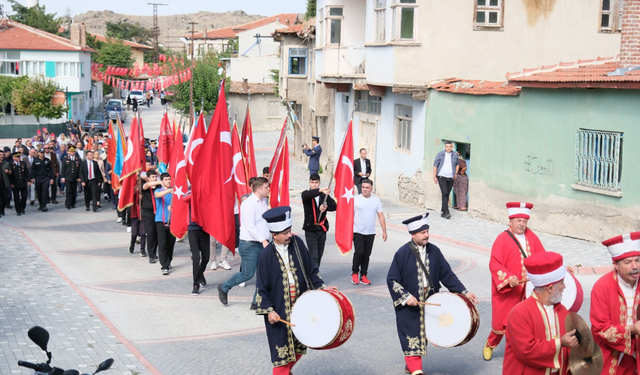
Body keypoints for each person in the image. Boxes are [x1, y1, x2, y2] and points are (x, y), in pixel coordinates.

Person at [387, 213, 479, 375]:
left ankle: (411, 365)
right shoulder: (401, 254)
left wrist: (464, 292)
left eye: (427, 231)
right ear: (412, 234)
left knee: (424, 337)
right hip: (409, 306)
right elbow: (392, 280)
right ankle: (416, 370)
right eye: (422, 233)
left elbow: (447, 275)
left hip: (429, 303)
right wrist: (407, 297)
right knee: (412, 337)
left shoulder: (435, 251)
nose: (426, 235)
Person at [255, 205, 335, 375]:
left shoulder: (297, 243)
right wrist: (269, 311)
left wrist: (322, 288)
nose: (289, 235)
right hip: (279, 312)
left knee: (299, 346)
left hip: (300, 308)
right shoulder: (265, 256)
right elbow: (261, 288)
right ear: (274, 234)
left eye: (289, 230)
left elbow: (311, 269)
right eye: (285, 233)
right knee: (282, 354)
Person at [483, 202, 546, 360]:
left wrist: (561, 267)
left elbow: (543, 256)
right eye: (518, 221)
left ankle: (523, 350)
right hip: (509, 289)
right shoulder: (502, 239)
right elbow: (495, 263)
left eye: (524, 221)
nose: (521, 224)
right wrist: (509, 277)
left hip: (529, 289)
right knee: (501, 323)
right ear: (510, 221)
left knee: (527, 321)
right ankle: (490, 344)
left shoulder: (532, 237)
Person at [503, 251, 578, 375]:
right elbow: (526, 351)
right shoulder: (519, 313)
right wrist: (560, 343)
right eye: (562, 283)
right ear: (550, 288)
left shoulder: (562, 310)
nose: (564, 287)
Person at [590, 232, 640, 374]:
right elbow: (601, 329)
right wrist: (632, 329)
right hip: (611, 354)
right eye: (628, 262)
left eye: (637, 260)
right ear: (616, 265)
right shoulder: (602, 287)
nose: (635, 266)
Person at [218, 176, 270, 307]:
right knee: (247, 274)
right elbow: (250, 226)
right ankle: (224, 287)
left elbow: (265, 222)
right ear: (258, 189)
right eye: (266, 187)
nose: (269, 189)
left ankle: (256, 301)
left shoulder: (264, 201)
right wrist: (263, 240)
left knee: (263, 274)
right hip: (250, 244)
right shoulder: (248, 204)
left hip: (263, 243)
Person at [352, 178, 387, 285]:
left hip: (370, 232)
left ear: (371, 188)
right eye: (363, 187)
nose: (365, 189)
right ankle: (354, 273)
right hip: (357, 231)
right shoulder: (355, 199)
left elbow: (381, 216)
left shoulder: (376, 200)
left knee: (366, 255)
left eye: (367, 187)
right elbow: (349, 216)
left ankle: (363, 275)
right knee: (359, 252)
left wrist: (384, 231)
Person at [301, 173, 336, 268]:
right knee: (314, 255)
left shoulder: (323, 196)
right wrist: (320, 190)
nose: (314, 185)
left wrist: (326, 206)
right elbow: (309, 194)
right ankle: (314, 277)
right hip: (310, 229)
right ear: (309, 183)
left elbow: (334, 206)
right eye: (312, 182)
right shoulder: (306, 194)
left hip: (321, 228)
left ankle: (314, 273)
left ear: (319, 183)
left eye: (316, 182)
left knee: (319, 254)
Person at [185, 192, 209, 295]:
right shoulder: (190, 192)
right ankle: (195, 284)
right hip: (192, 229)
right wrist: (197, 192)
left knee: (206, 257)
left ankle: (200, 274)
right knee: (196, 258)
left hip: (204, 229)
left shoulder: (206, 193)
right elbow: (184, 199)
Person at [155, 173, 175, 275]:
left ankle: (169, 261)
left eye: (169, 179)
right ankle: (164, 265)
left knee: (171, 244)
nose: (168, 181)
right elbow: (157, 195)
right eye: (166, 179)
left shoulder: (174, 192)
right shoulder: (159, 190)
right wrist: (168, 191)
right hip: (161, 221)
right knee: (162, 244)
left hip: (173, 222)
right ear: (162, 181)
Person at [432, 141, 459, 219]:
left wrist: (456, 173)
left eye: (450, 146)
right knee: (445, 192)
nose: (448, 148)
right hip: (441, 176)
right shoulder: (440, 154)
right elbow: (435, 165)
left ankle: (443, 209)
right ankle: (446, 212)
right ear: (445, 147)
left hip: (451, 177)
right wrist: (434, 176)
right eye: (447, 146)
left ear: (452, 147)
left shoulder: (454, 154)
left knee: (447, 194)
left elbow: (457, 164)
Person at [142, 169, 161, 264]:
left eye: (155, 176)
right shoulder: (145, 185)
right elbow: (147, 185)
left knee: (157, 233)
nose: (154, 178)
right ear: (148, 178)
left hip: (158, 212)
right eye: (152, 177)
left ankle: (154, 252)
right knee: (150, 233)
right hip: (148, 213)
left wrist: (160, 175)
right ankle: (151, 255)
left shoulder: (159, 186)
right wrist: (161, 180)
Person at [30, 148, 53, 213]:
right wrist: (31, 178)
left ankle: (44, 206)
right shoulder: (35, 160)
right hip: (38, 178)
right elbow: (32, 170)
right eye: (41, 152)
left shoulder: (47, 160)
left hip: (45, 178)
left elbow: (51, 170)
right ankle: (40, 204)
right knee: (39, 192)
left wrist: (52, 178)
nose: (42, 154)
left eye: (43, 153)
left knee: (45, 192)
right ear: (38, 153)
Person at [60, 145, 82, 210]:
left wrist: (79, 177)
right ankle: (68, 203)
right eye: (71, 151)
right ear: (68, 152)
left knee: (73, 190)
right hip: (68, 177)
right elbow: (63, 169)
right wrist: (63, 177)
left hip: (75, 177)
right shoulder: (66, 158)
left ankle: (73, 203)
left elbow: (80, 170)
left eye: (73, 151)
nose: (72, 153)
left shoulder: (78, 159)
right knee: (68, 190)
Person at [128, 183, 146, 257]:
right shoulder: (133, 192)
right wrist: (136, 188)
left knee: (143, 233)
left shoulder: (144, 192)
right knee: (134, 233)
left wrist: (143, 198)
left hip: (143, 215)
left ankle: (142, 249)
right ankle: (132, 245)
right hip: (135, 214)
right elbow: (130, 197)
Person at [0, 152, 10, 217]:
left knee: (5, 199)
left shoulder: (6, 163)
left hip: (4, 184)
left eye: (2, 155)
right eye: (0, 155)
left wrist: (8, 171)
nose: (1, 156)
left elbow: (10, 172)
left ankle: (2, 209)